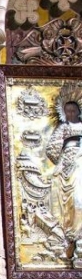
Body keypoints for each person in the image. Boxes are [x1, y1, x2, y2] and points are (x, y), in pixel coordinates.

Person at [46, 98, 82, 262]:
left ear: (79, 111)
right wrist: (65, 159)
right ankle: (72, 236)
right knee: (71, 201)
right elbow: (52, 148)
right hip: (67, 167)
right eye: (68, 111)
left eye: (73, 110)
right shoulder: (63, 128)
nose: (71, 113)